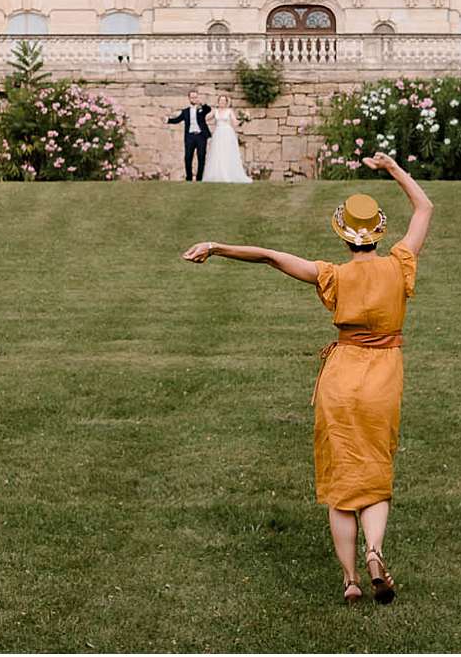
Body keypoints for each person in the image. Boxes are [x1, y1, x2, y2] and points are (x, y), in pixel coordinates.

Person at [181, 151, 433, 604]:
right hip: (383, 379)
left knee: (340, 481)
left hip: (340, 378)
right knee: (375, 471)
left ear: (344, 235)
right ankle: (375, 550)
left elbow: (271, 257)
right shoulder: (399, 264)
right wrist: (393, 169)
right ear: (377, 232)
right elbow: (424, 209)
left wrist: (217, 246)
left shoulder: (331, 275)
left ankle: (351, 580)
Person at [166, 89, 213, 181]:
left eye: (195, 97)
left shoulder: (201, 109)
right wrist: (168, 120)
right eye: (192, 97)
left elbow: (208, 109)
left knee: (201, 156)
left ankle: (199, 178)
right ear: (189, 98)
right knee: (188, 157)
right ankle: (189, 178)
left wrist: (202, 104)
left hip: (201, 136)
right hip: (190, 137)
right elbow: (177, 120)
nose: (194, 99)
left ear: (197, 98)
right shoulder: (185, 111)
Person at [200, 103, 252, 183]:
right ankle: (217, 174)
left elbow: (235, 123)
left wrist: (243, 118)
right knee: (217, 153)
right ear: (218, 102)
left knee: (227, 153)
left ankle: (229, 174)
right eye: (221, 100)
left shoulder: (229, 111)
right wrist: (201, 110)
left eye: (224, 100)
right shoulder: (215, 111)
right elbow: (205, 118)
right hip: (218, 133)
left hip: (227, 133)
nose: (222, 102)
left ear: (226, 102)